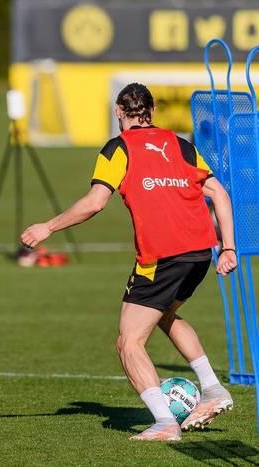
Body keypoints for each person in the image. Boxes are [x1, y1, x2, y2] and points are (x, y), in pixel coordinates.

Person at [21, 83, 236, 441]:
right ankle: (213, 389)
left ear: (119, 112)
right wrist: (227, 248)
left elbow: (95, 202)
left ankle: (165, 423)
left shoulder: (118, 147)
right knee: (165, 314)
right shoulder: (180, 144)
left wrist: (48, 227)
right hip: (201, 251)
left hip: (162, 256)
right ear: (152, 111)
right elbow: (219, 193)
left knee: (129, 342)